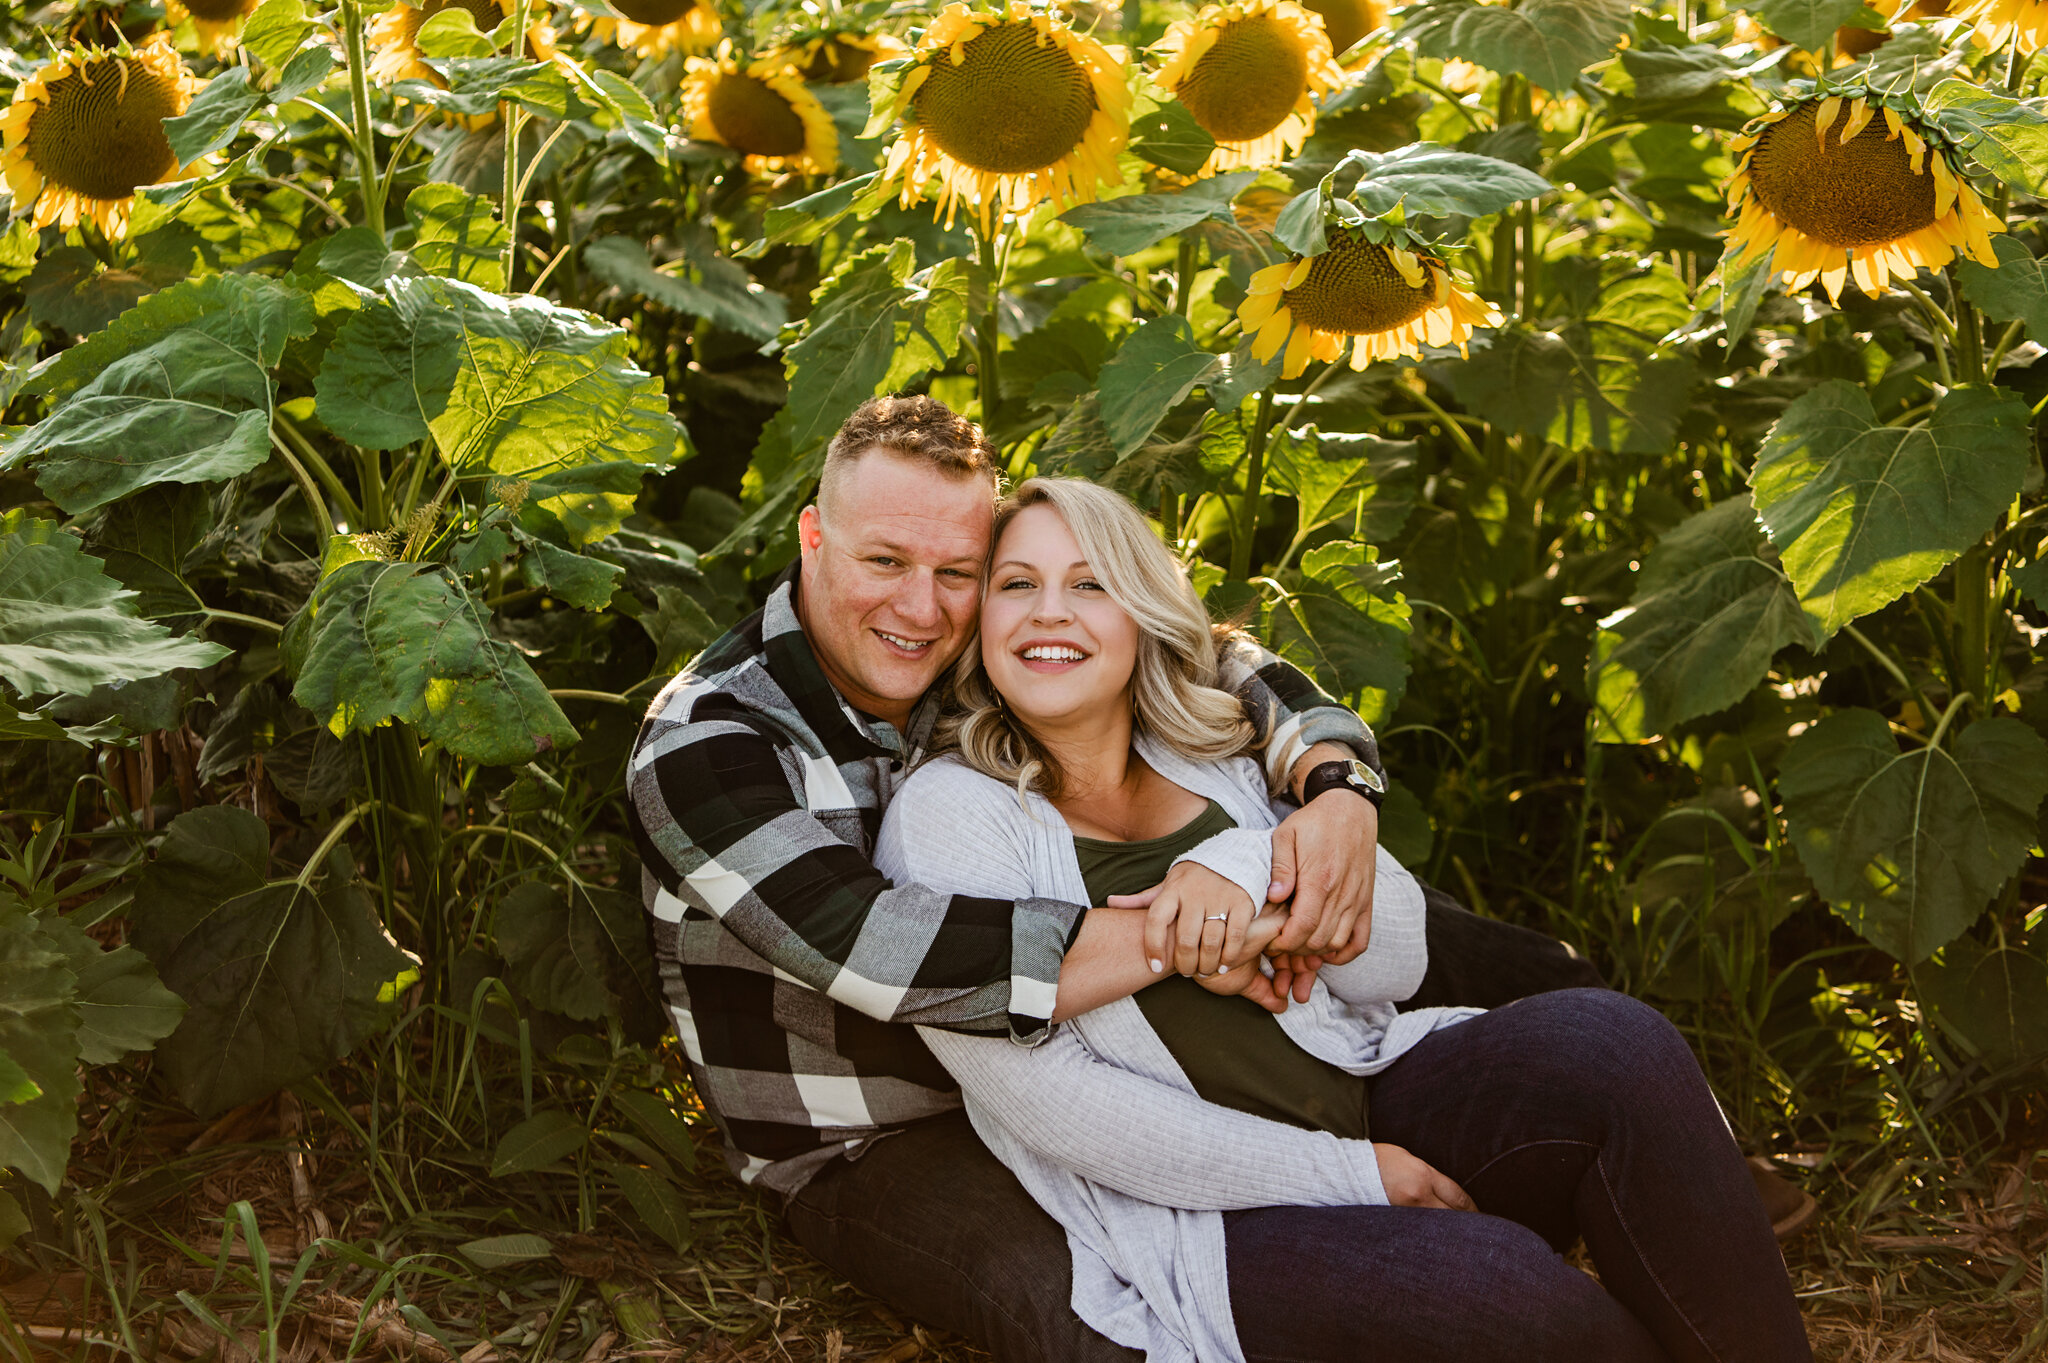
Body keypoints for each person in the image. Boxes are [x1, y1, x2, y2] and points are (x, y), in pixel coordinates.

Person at [626, 395, 1602, 1362]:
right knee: (1102, 1322)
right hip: (877, 1131)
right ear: (812, 535)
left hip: (1085, 1026)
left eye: (956, 571)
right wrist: (1193, 929)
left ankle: (1639, 1119)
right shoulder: (709, 744)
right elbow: (882, 954)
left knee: (1413, 920)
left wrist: (1337, 786)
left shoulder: (963, 632)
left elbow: (1203, 652)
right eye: (883, 561)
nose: (919, 607)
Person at [873, 476, 1813, 1363]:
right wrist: (1355, 1176)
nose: (1049, 611)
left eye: (1090, 583)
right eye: (1016, 584)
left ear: (1143, 614)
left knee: (1617, 1043)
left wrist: (1236, 873)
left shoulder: (1212, 749)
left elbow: (1393, 955)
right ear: (980, 622)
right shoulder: (950, 816)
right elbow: (1059, 1110)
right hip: (1215, 1217)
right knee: (1505, 1292)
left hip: (1371, 1085)